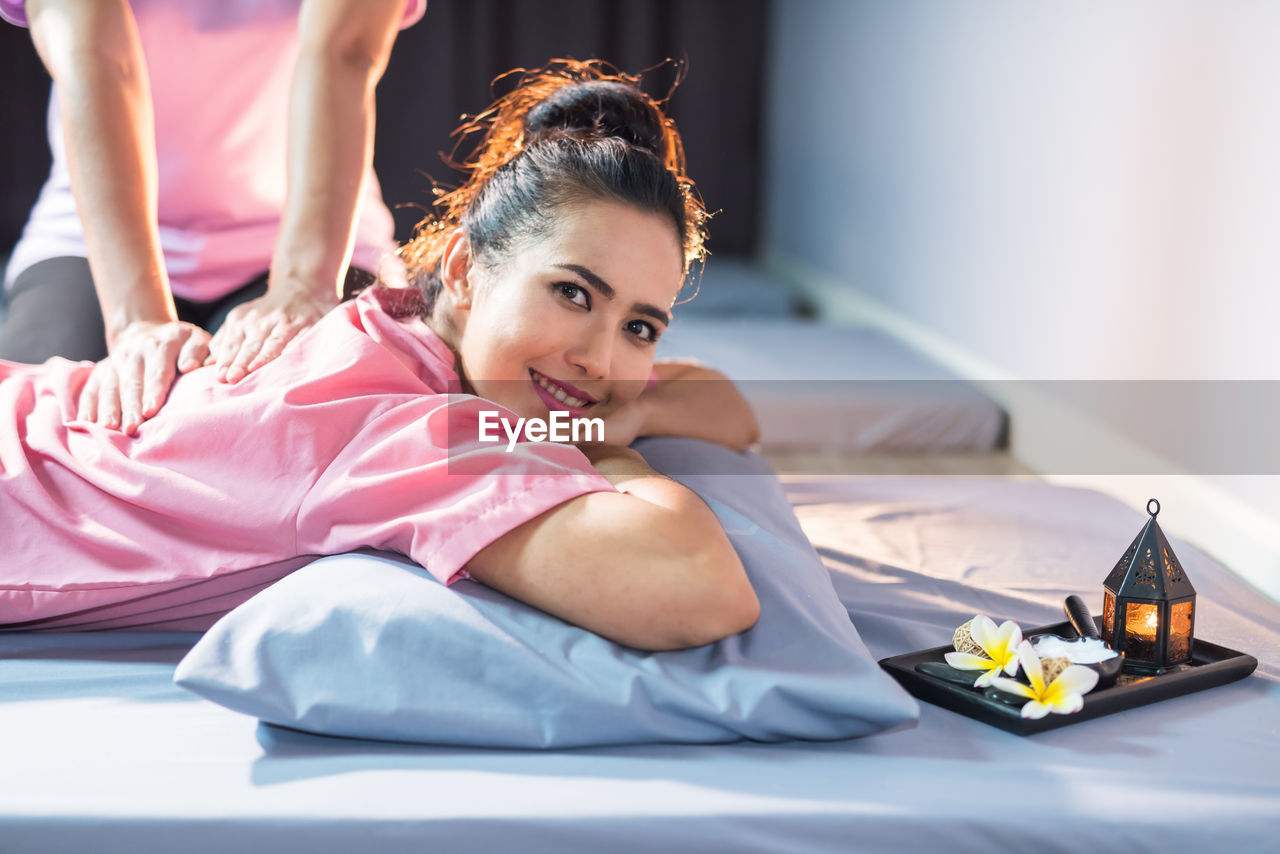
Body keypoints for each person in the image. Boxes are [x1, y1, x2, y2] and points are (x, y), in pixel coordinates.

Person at [0, 60, 762, 651]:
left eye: (641, 326)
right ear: (464, 270)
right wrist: (600, 445)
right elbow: (697, 587)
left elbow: (725, 406)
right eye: (573, 293)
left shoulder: (395, 328)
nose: (600, 359)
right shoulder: (410, 429)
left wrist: (602, 421)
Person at [0, 0, 424, 435]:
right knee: (36, 433)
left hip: (317, 246)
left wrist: (304, 287)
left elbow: (344, 51)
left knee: (313, 433)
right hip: (90, 244)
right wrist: (136, 323)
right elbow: (93, 59)